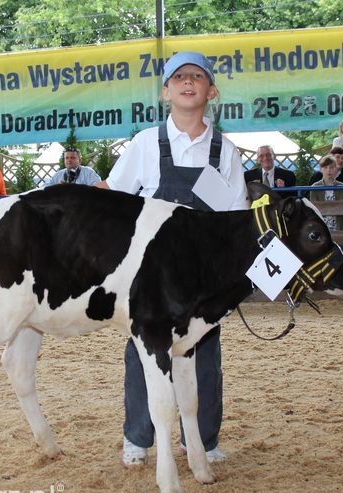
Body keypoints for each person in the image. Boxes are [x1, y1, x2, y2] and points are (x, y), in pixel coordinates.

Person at [97, 51, 248, 467]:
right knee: (142, 353)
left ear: (211, 91)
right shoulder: (145, 144)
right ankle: (137, 437)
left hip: (204, 279)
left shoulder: (225, 152)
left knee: (206, 355)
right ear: (166, 92)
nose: (188, 82)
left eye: (197, 76)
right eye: (178, 77)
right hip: (150, 279)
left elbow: (236, 218)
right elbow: (113, 194)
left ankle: (203, 439)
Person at [309, 155, 343, 233]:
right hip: (321, 226)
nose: (328, 170)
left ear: (335, 168)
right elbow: (314, 208)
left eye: (331, 167)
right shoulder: (314, 187)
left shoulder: (342, 186)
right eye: (325, 167)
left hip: (337, 225)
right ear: (321, 169)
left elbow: (342, 206)